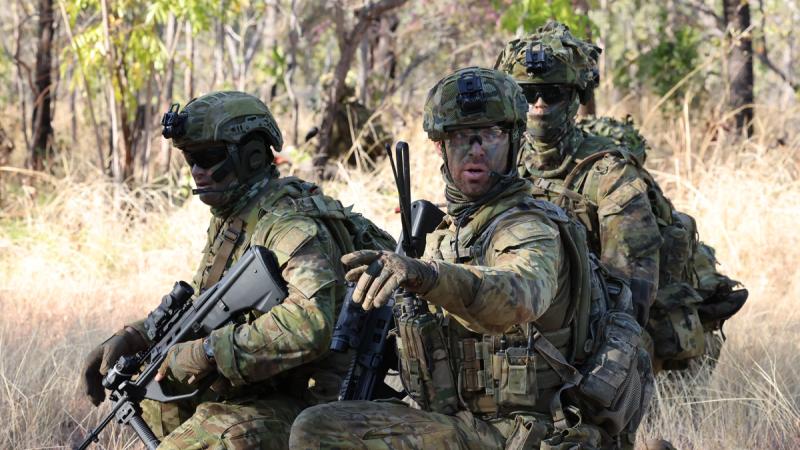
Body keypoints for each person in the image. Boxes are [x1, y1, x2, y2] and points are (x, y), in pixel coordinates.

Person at [289, 67, 647, 449]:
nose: (476, 149)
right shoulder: (453, 230)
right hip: (466, 424)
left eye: (491, 135)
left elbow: (520, 296)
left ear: (514, 142)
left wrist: (427, 276)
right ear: (440, 146)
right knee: (319, 421)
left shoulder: (528, 226)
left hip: (527, 433)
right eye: (461, 136)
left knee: (317, 431)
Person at [80, 91, 394, 449]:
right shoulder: (235, 217)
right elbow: (202, 307)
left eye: (208, 157)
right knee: (156, 394)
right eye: (190, 158)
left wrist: (209, 352)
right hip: (266, 387)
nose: (197, 170)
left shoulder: (291, 224)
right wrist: (136, 336)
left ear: (252, 155)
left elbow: (311, 324)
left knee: (205, 440)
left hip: (315, 406)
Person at [494, 21, 663, 331]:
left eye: (552, 93)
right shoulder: (499, 163)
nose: (539, 105)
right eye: (527, 93)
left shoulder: (609, 173)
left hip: (591, 324)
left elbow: (633, 286)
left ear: (575, 97)